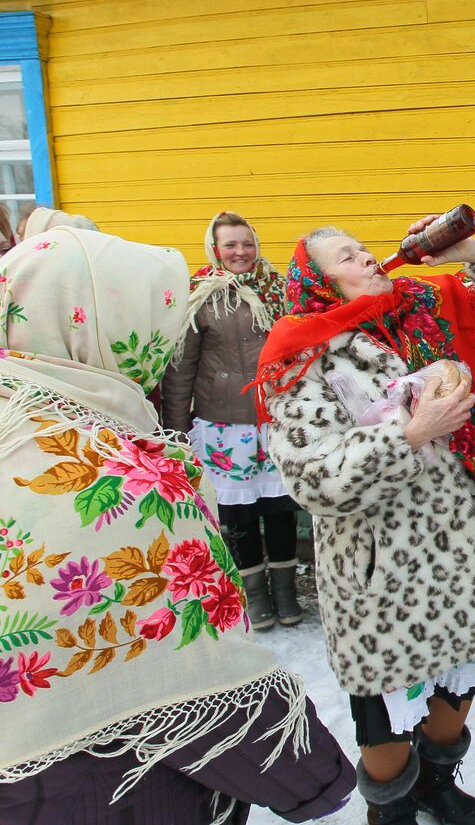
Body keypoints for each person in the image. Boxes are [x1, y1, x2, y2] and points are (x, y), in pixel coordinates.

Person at [0, 226, 353, 823]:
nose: (163, 348)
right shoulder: (118, 483)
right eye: (155, 323)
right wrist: (317, 781)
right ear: (105, 327)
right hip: (105, 792)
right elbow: (204, 685)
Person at [255, 221, 475, 825]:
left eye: (363, 247)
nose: (366, 256)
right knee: (387, 713)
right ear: (318, 281)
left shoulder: (421, 308)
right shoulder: (297, 359)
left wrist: (472, 252)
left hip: (467, 548)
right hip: (384, 571)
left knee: (462, 679)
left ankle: (436, 784)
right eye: (347, 256)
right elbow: (314, 481)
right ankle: (390, 807)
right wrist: (411, 434)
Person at [162, 212, 303, 631]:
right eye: (230, 245)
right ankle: (254, 593)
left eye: (247, 243)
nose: (240, 252)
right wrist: (176, 426)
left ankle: (285, 590)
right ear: (214, 249)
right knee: (237, 511)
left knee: (280, 506)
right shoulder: (199, 296)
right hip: (224, 424)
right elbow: (182, 366)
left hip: (273, 417)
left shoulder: (278, 290)